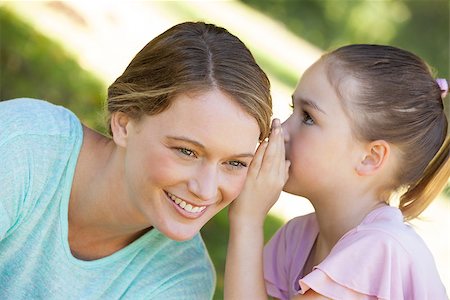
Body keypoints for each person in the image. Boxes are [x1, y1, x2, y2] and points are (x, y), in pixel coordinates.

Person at [0, 21, 275, 299]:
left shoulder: (182, 278)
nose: (205, 189)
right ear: (124, 123)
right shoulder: (22, 146)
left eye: (235, 163)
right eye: (186, 151)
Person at [224, 44, 449, 299]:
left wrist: (248, 220)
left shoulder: (379, 249)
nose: (282, 131)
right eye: (292, 110)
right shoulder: (297, 237)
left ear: (370, 158)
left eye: (308, 117)